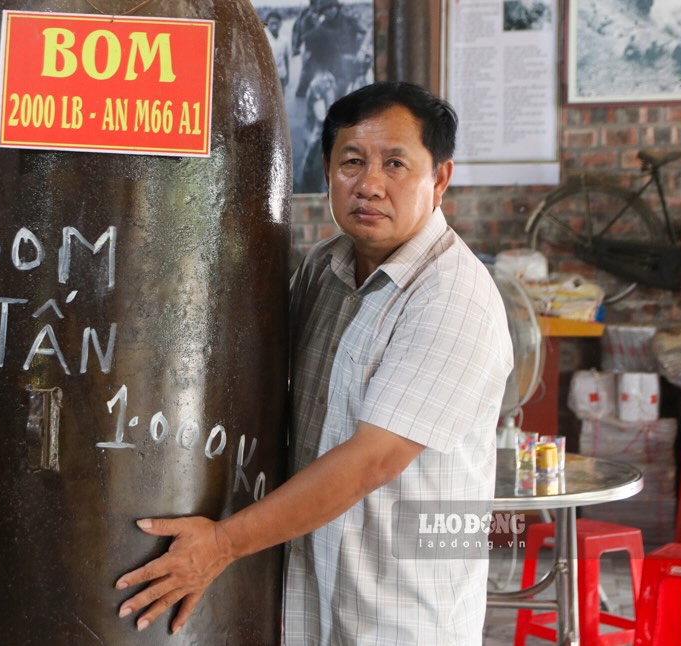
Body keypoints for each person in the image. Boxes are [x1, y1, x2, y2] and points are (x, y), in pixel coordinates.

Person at [114, 81, 513, 644]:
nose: (370, 184)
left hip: (400, 614)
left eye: (395, 164)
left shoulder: (449, 298)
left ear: (439, 178)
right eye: (353, 161)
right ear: (328, 170)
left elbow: (370, 461)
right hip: (315, 595)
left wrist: (222, 545)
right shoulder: (326, 268)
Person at [265, 11, 291, 92]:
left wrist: (287, 75)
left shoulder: (285, 40)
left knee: (281, 99)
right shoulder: (262, 39)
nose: (274, 26)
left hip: (281, 75)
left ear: (280, 24)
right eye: (271, 23)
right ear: (267, 23)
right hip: (266, 77)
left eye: (276, 23)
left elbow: (286, 58)